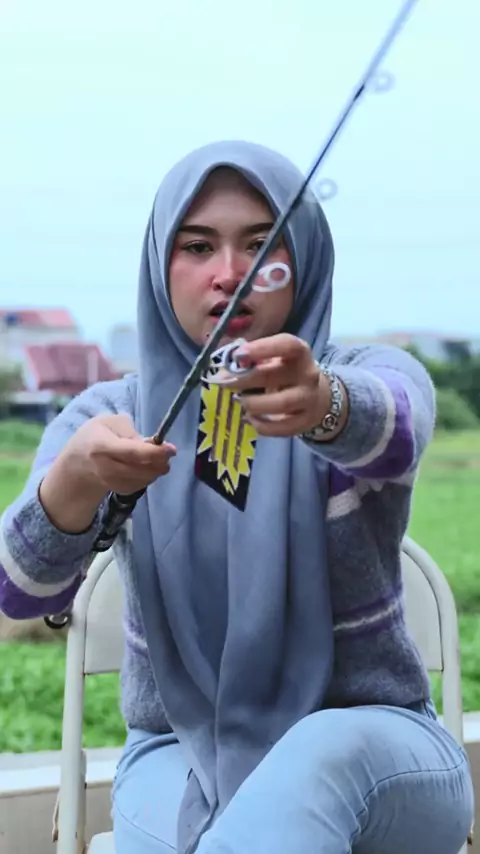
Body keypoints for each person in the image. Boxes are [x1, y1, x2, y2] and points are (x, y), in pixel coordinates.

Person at [0, 141, 474, 854]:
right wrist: (74, 480)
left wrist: (323, 405)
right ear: (159, 265)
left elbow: (395, 426)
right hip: (177, 750)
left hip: (379, 747)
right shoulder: (111, 417)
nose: (231, 274)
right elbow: (18, 590)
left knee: (315, 759)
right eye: (197, 247)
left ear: (304, 259)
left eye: (261, 246)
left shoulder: (365, 372)